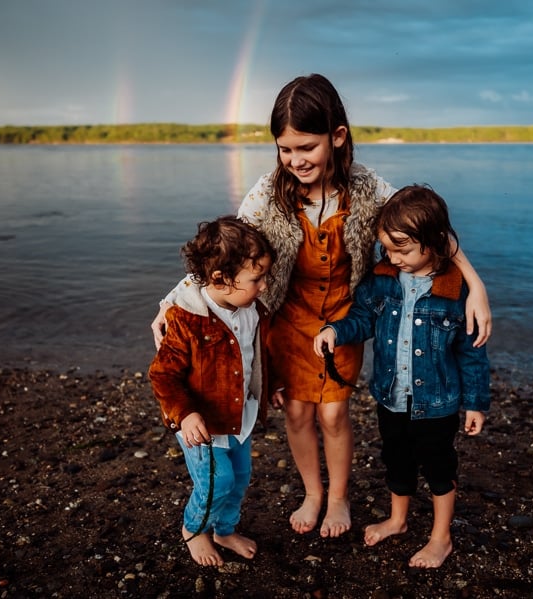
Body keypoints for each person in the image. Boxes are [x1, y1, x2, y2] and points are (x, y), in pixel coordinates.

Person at [152, 74, 491, 539]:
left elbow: (427, 226)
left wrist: (475, 284)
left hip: (341, 318)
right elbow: (221, 256)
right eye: (285, 149)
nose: (295, 160)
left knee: (332, 414)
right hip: (289, 321)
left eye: (306, 147)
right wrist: (172, 300)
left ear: (337, 137)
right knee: (296, 413)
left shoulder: (368, 188)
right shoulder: (268, 195)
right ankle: (312, 492)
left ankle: (338, 499)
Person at [313, 184, 490, 568]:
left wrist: (475, 403)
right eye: (388, 249)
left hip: (438, 403)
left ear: (434, 242)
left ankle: (441, 537)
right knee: (397, 459)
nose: (393, 257)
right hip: (391, 396)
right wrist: (334, 331)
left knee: (439, 466)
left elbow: (472, 350)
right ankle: (398, 519)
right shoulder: (382, 279)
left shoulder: (454, 290)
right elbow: (361, 320)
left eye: (403, 249)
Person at [148, 216, 275, 567]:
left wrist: (270, 388)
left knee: (240, 479)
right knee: (217, 481)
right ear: (220, 279)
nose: (264, 286)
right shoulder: (187, 318)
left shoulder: (251, 310)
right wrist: (185, 414)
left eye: (264, 276)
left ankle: (225, 529)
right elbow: (163, 376)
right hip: (201, 424)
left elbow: (257, 357)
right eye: (256, 278)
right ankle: (195, 530)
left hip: (239, 414)